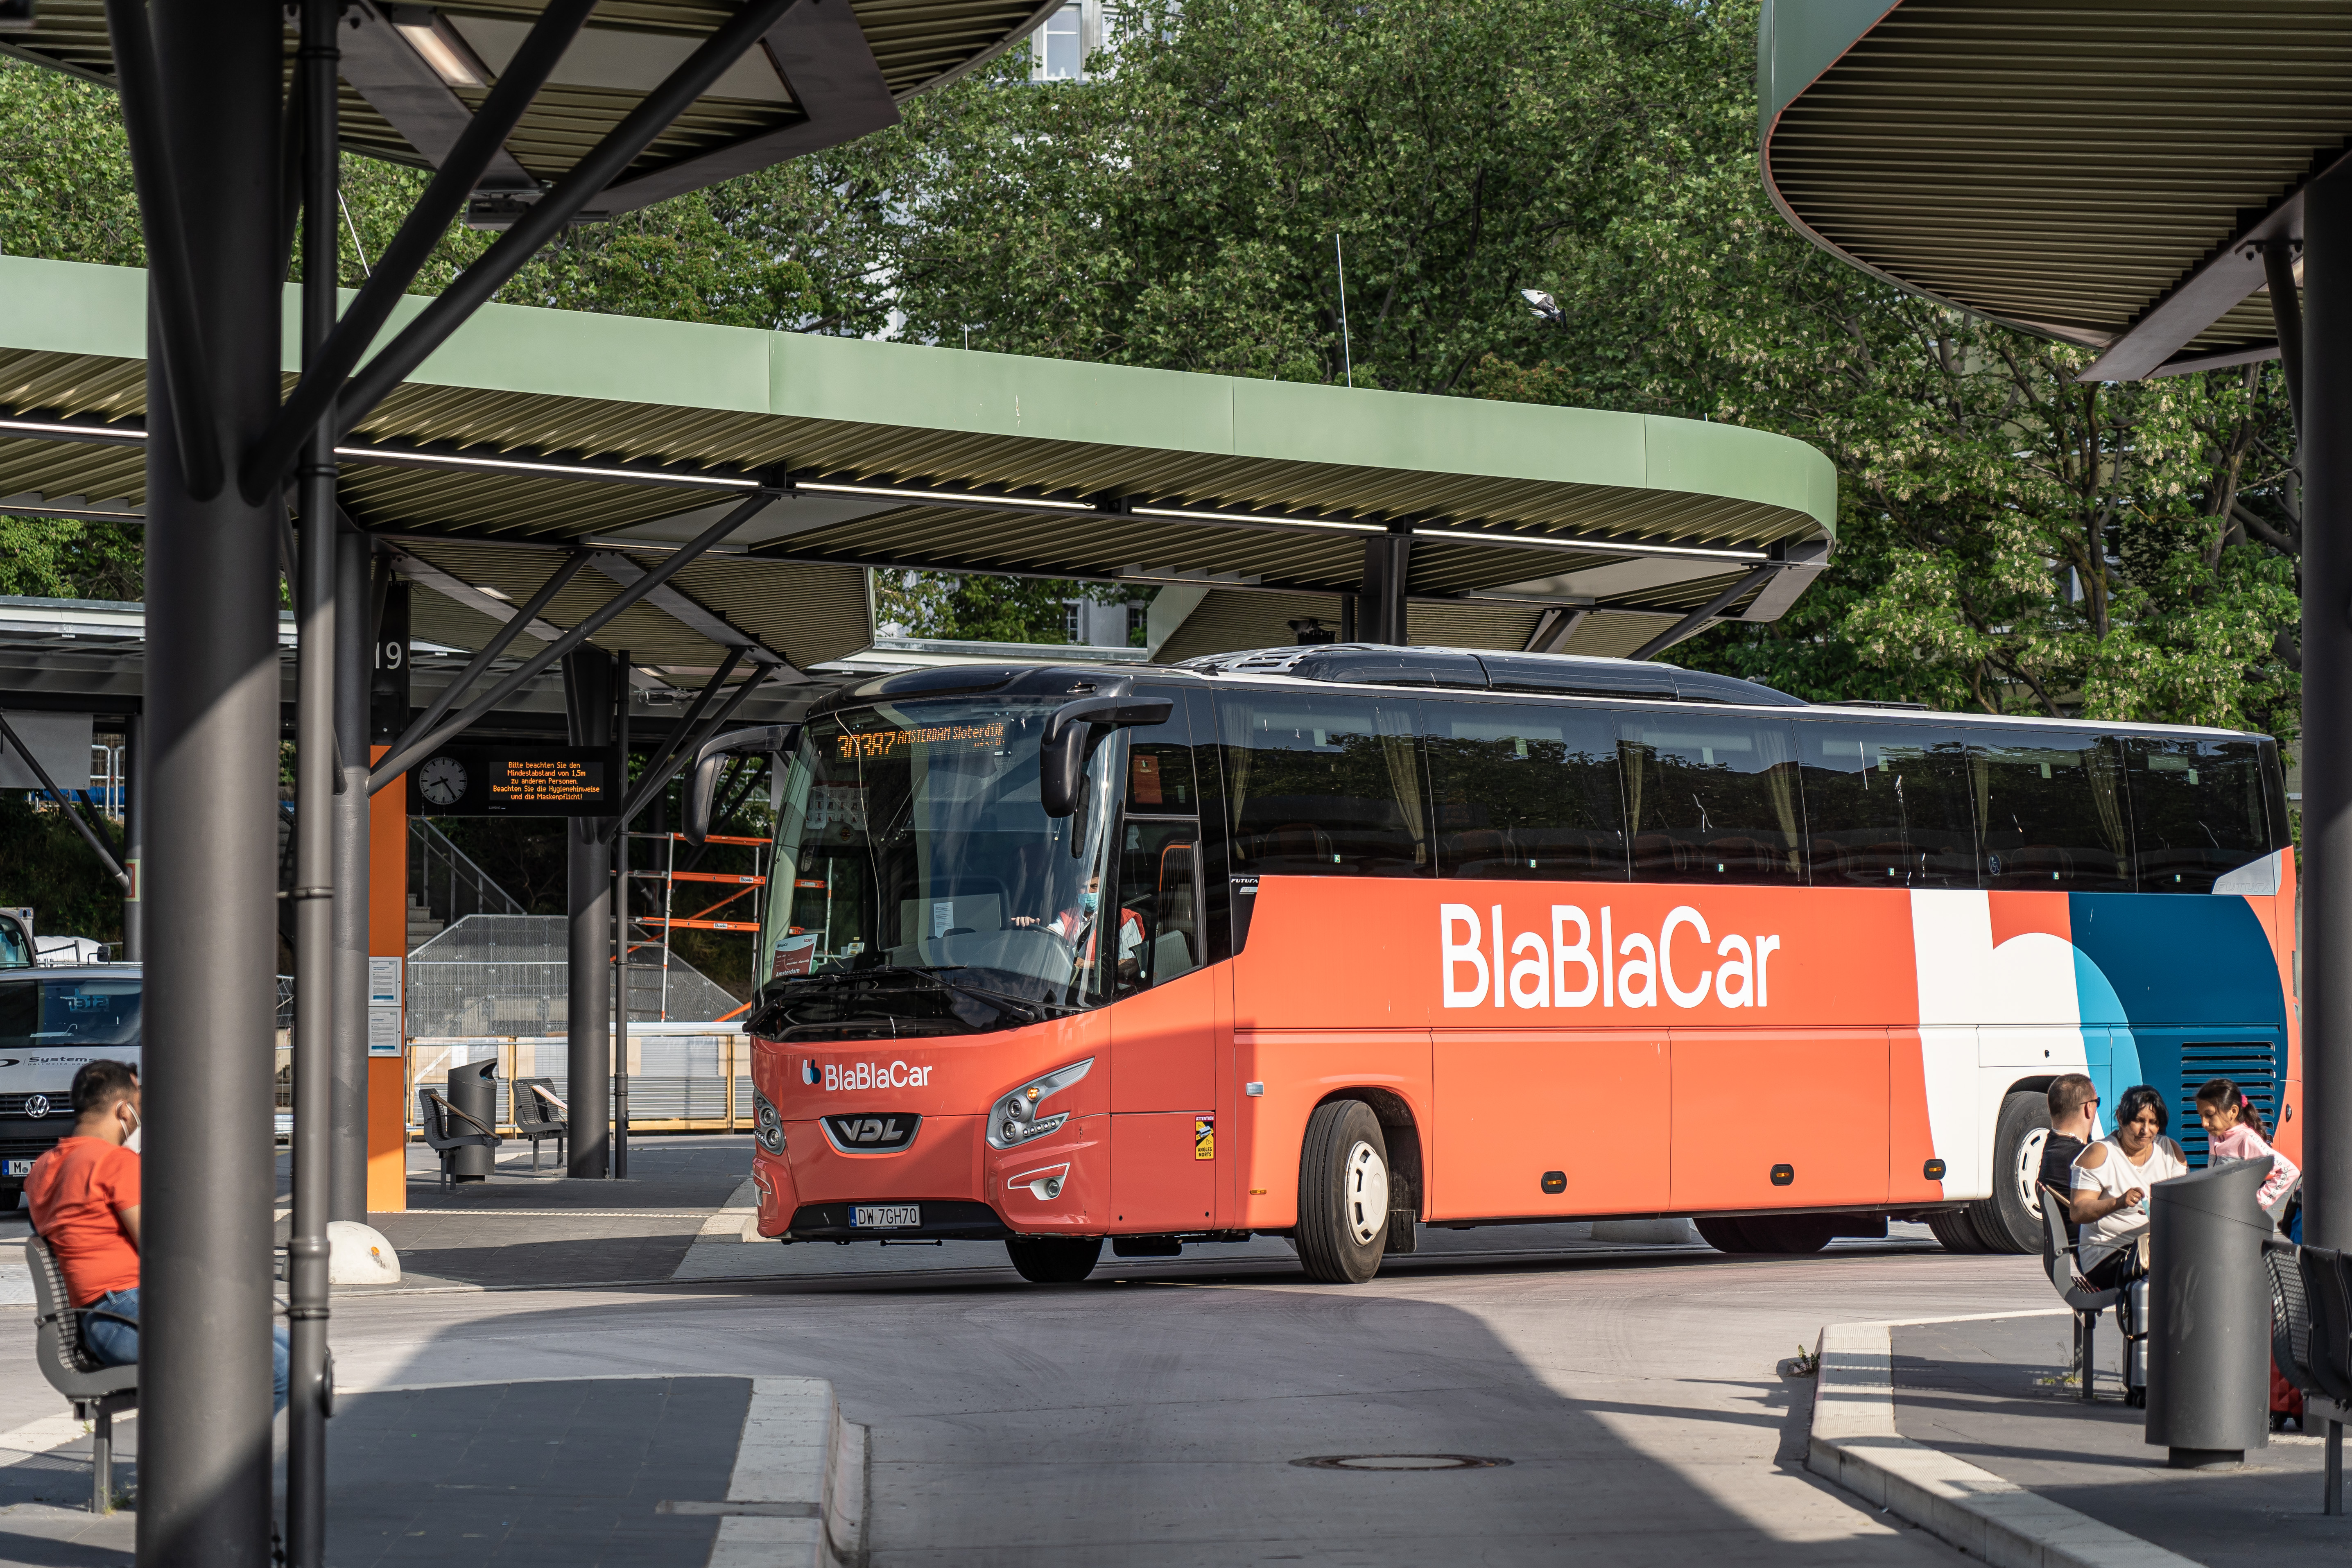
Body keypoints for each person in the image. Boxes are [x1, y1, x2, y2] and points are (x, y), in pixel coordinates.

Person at [25, 1059, 288, 1412]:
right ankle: (226, 1466)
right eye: (139, 1098)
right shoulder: (113, 1162)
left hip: (103, 1321)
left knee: (287, 1350)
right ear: (123, 1109)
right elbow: (161, 1250)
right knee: (280, 1368)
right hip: (127, 1313)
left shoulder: (42, 1168)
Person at [2069, 1084, 2189, 1289]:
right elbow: (2079, 1211)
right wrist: (2117, 1203)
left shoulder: (2170, 1151)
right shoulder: (2100, 1154)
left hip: (2155, 1250)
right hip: (2109, 1254)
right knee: (2172, 1275)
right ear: (2121, 1117)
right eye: (2138, 1121)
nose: (2146, 1130)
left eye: (2153, 1123)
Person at [2195, 1076, 2300, 1220]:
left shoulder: (2247, 1139)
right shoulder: (2214, 1136)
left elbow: (2289, 1171)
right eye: (2201, 1116)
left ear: (2233, 1111)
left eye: (2210, 1115)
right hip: (2220, 1214)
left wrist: (2259, 1202)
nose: (2204, 1123)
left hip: (2239, 1218)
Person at [2038, 1074, 2099, 1248]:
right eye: (2097, 1102)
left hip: (2082, 1248)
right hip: (2102, 1250)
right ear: (2089, 1108)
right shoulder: (2083, 1157)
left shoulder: (2054, 1149)